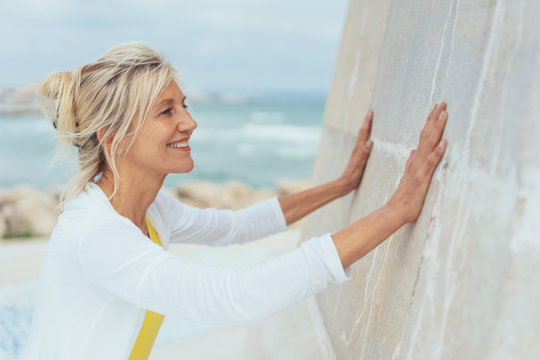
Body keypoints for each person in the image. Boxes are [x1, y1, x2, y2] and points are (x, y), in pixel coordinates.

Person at [21, 42, 448, 359]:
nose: (190, 121)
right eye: (166, 111)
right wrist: (396, 210)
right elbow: (238, 296)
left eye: (183, 105)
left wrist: (342, 184)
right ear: (112, 137)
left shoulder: (148, 210)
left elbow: (237, 227)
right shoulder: (98, 237)